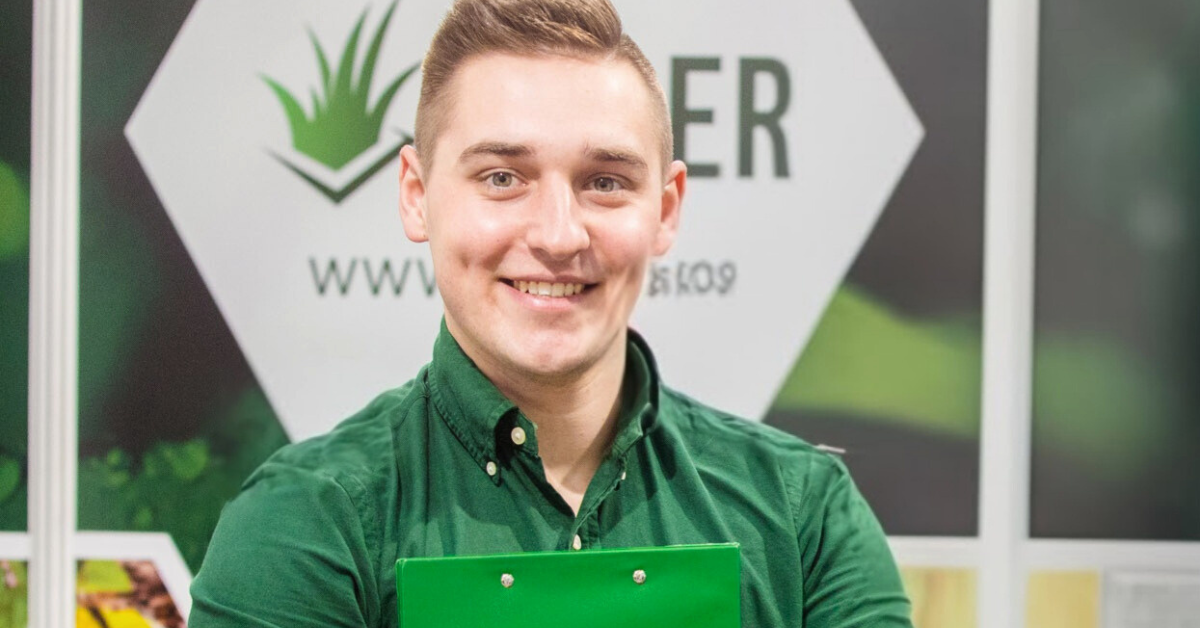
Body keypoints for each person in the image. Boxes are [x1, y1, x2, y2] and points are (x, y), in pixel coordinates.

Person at [189, 0, 913, 626]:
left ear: (665, 210)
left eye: (605, 182)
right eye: (503, 177)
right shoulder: (307, 523)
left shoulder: (803, 516)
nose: (559, 235)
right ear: (416, 194)